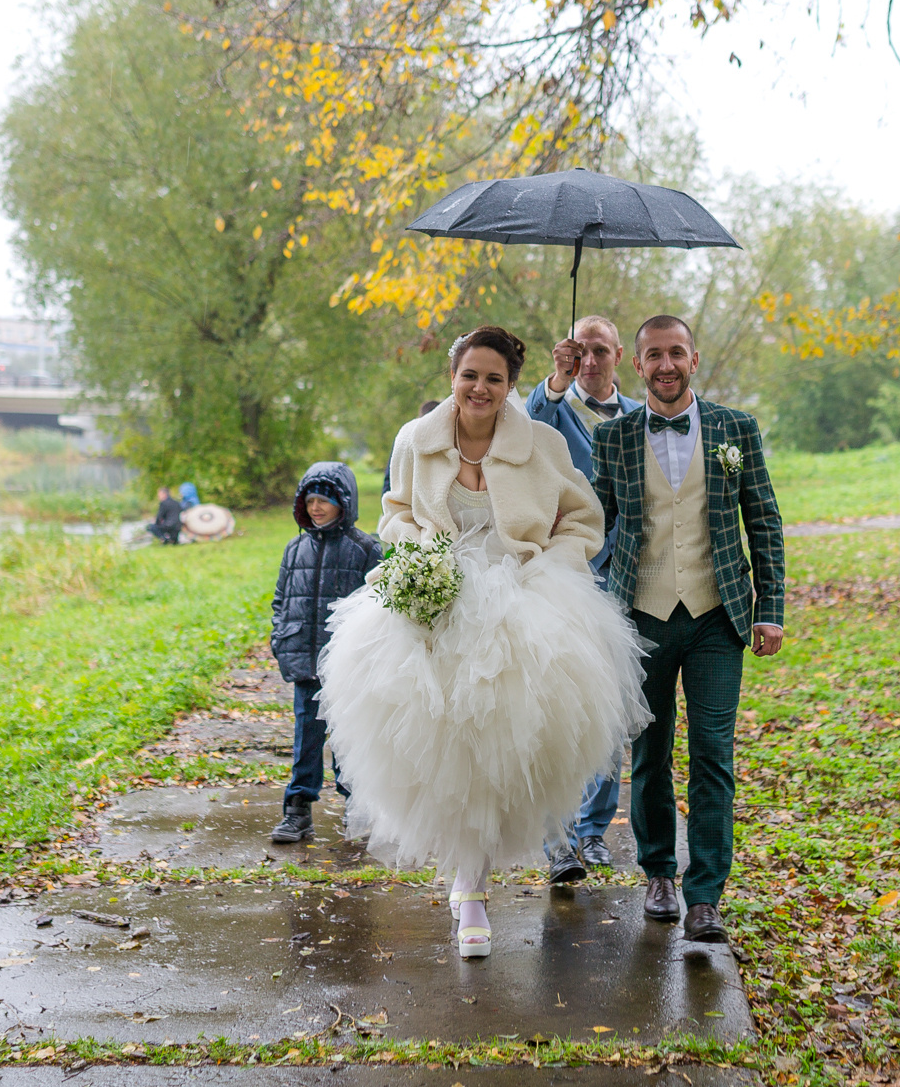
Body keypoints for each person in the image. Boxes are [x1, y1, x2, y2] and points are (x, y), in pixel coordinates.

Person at [320, 325, 649, 960]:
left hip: (520, 598)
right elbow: (395, 512)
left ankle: (475, 882)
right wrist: (422, 558)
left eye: (494, 378)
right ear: (453, 377)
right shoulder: (416, 440)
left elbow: (584, 518)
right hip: (436, 601)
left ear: (510, 385)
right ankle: (467, 884)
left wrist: (551, 566)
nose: (480, 388)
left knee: (500, 749)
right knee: (441, 747)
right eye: (470, 375)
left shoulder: (543, 444)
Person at [591, 314, 785, 946]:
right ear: (637, 364)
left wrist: (770, 607)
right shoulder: (614, 436)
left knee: (713, 755)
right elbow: (593, 524)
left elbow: (764, 519)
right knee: (649, 753)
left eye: (676, 352)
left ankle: (705, 896)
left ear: (694, 360)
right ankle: (658, 876)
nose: (666, 365)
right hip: (640, 616)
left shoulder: (736, 428)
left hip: (716, 616)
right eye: (654, 355)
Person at [527, 314, 643, 881]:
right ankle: (556, 837)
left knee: (608, 703)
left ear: (618, 355)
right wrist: (556, 379)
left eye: (600, 350)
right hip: (564, 571)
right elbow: (530, 421)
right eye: (581, 351)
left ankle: (594, 830)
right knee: (555, 702)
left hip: (624, 575)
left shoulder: (640, 416)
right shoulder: (552, 409)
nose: (590, 361)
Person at [268, 462, 380, 843]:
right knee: (306, 738)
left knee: (349, 738)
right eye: (310, 500)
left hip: (347, 666)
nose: (315, 508)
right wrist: (281, 637)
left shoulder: (365, 549)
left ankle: (356, 806)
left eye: (324, 500)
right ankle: (298, 810)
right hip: (304, 661)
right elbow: (282, 600)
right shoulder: (295, 548)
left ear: (343, 502)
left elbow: (378, 604)